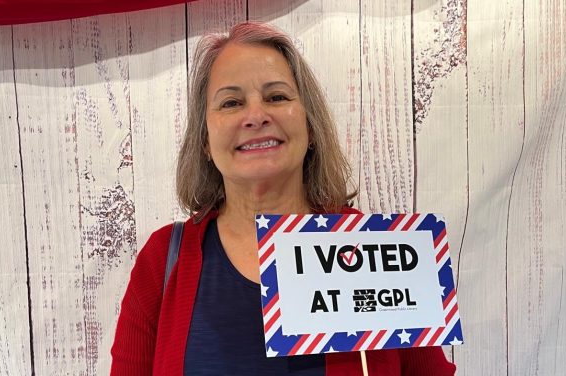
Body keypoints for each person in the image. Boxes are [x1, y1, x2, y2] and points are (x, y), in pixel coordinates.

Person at [111, 21, 456, 376]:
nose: (256, 116)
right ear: (205, 142)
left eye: (277, 97)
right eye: (231, 102)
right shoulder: (161, 261)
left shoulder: (376, 252)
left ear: (309, 127)